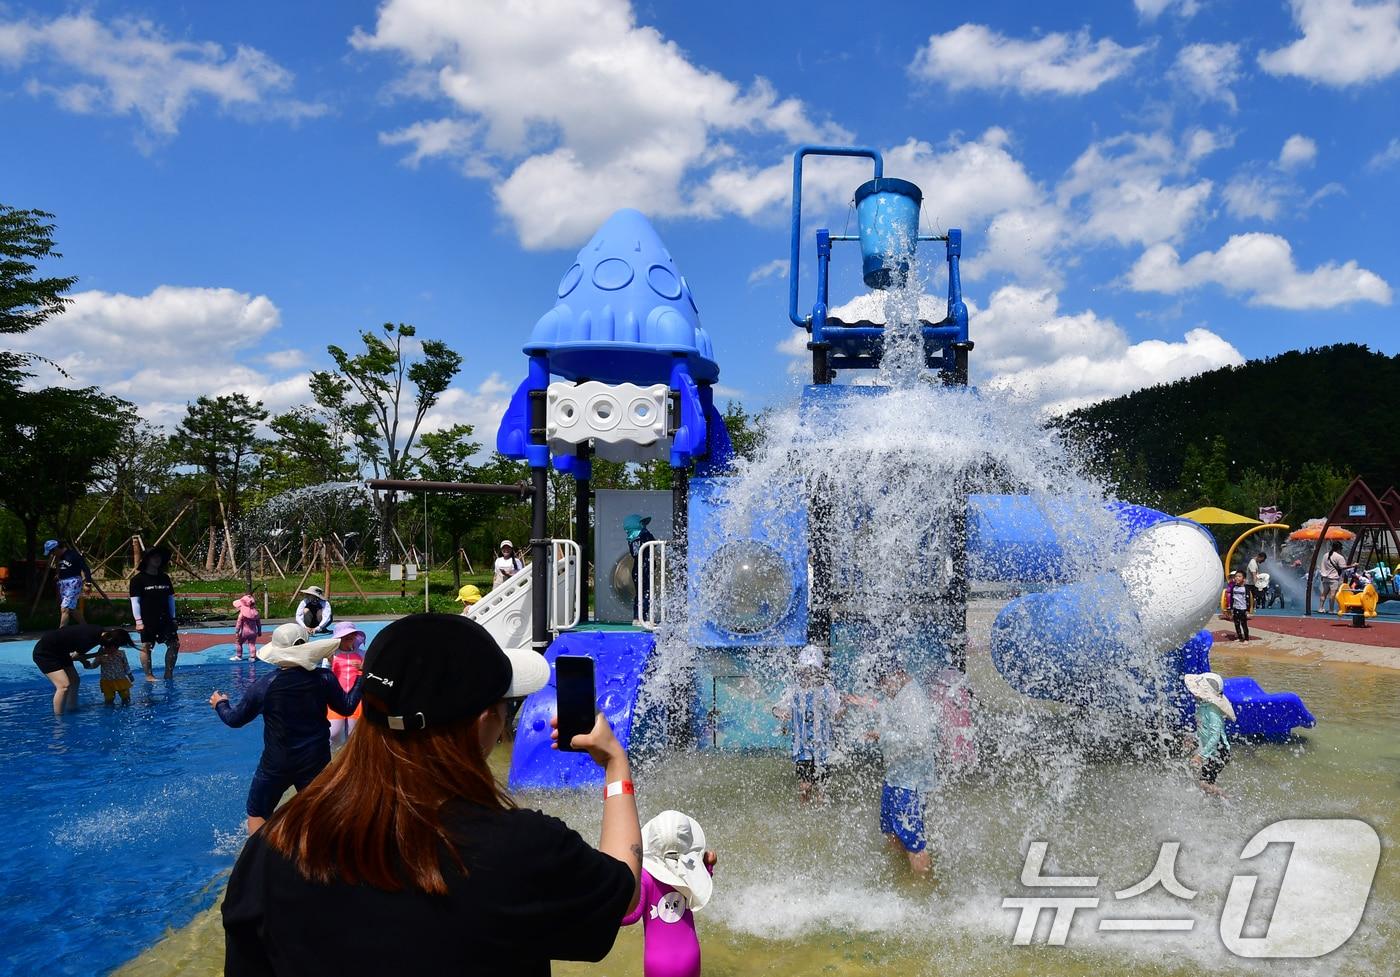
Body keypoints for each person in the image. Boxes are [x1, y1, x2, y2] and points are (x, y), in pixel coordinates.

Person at [221, 613, 641, 976]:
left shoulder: (274, 849)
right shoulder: (521, 850)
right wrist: (615, 765)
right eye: (505, 706)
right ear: (482, 723)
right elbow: (623, 894)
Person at [210, 622, 359, 834]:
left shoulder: (265, 685)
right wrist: (362, 679)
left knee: (258, 813)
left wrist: (220, 704)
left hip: (276, 763)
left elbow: (235, 720)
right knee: (316, 813)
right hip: (315, 760)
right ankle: (313, 860)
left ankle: (259, 861)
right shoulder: (323, 679)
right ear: (306, 647)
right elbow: (347, 706)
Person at [864, 653, 938, 875]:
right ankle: (900, 879)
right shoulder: (899, 696)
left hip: (910, 783)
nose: (883, 689)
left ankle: (922, 893)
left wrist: (882, 735)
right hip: (896, 777)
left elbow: (921, 740)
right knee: (892, 832)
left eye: (883, 683)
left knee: (914, 843)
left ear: (896, 675)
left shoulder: (912, 699)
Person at [622, 810, 717, 977]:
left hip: (658, 963)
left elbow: (632, 915)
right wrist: (708, 866)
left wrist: (606, 911)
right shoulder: (690, 871)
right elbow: (701, 888)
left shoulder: (644, 876)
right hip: (691, 957)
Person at [772, 644, 842, 803]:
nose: (808, 675)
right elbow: (776, 708)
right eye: (805, 671)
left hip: (823, 748)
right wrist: (781, 713)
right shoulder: (794, 691)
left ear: (819, 672)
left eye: (813, 671)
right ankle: (805, 813)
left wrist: (844, 708)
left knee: (821, 789)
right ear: (800, 671)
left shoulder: (827, 690)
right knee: (804, 787)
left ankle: (819, 817)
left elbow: (836, 712)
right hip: (802, 748)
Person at [31, 625, 135, 715]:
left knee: (75, 680)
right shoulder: (90, 639)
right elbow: (75, 657)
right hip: (45, 653)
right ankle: (59, 719)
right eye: (116, 646)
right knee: (63, 686)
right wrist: (96, 655)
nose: (116, 649)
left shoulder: (100, 633)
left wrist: (85, 661)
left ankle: (71, 708)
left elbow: (78, 652)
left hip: (60, 651)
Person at [129, 546, 179, 682]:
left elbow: (170, 599)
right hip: (147, 618)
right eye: (154, 557)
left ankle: (168, 673)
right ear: (147, 559)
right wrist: (138, 621)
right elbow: (135, 602)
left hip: (165, 617)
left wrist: (173, 618)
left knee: (174, 644)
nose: (157, 559)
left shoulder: (164, 578)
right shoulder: (137, 580)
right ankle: (149, 675)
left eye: (159, 557)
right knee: (147, 646)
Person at [1184, 672, 1235, 797]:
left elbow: (1215, 737)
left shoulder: (1213, 711)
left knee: (1204, 782)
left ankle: (1226, 798)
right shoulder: (1204, 706)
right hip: (1213, 751)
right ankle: (1216, 799)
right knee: (1204, 781)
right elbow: (1203, 729)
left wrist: (1201, 756)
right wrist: (1194, 737)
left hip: (1220, 752)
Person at [326, 621, 366, 747]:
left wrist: (364, 668)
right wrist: (329, 664)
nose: (349, 637)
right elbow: (324, 676)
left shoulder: (362, 654)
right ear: (337, 639)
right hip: (335, 698)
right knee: (333, 733)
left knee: (354, 733)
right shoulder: (330, 655)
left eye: (352, 634)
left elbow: (370, 676)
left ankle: (353, 760)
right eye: (345, 635)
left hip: (357, 698)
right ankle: (335, 756)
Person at [46, 539, 100, 628]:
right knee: (71, 609)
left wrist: (88, 583)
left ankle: (61, 634)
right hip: (63, 584)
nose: (52, 554)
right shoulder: (60, 557)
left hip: (73, 583)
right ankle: (86, 628)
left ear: (56, 548)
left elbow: (86, 569)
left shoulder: (73, 555)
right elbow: (65, 568)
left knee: (65, 609)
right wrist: (59, 575)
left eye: (52, 552)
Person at [87, 634, 136, 705]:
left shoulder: (121, 653)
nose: (107, 649)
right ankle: (109, 712)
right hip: (107, 681)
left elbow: (126, 665)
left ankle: (125, 710)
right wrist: (87, 665)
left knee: (126, 697)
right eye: (105, 647)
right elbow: (94, 665)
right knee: (109, 699)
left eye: (110, 648)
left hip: (121, 679)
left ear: (117, 646)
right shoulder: (101, 655)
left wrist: (130, 674)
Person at [625, 515, 657, 622]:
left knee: (641, 593)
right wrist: (645, 533)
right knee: (645, 593)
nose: (644, 527)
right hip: (644, 568)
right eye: (642, 525)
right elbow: (652, 542)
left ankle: (638, 617)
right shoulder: (640, 537)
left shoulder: (633, 538)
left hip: (640, 568)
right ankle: (641, 617)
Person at [1317, 541, 1350, 614]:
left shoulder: (1325, 555)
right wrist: (1353, 565)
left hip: (1325, 577)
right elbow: (1343, 567)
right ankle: (1331, 609)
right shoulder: (1339, 557)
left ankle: (1320, 608)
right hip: (1334, 578)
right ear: (1339, 548)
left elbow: (1322, 565)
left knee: (1324, 593)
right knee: (1332, 594)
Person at [1221, 570, 1252, 642]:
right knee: (1236, 624)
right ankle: (1240, 637)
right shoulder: (1234, 588)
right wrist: (1231, 608)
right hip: (1235, 608)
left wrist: (1247, 610)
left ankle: (1246, 639)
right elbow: (1232, 598)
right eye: (1236, 576)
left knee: (1244, 624)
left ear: (1244, 579)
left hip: (1243, 609)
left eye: (1239, 576)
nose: (1237, 578)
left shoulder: (1246, 588)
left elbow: (1248, 600)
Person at [231, 593, 262, 661]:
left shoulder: (242, 614)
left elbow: (238, 623)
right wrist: (259, 631)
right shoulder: (256, 613)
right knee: (252, 644)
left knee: (239, 643)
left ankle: (239, 656)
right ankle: (252, 657)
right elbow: (258, 623)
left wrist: (237, 631)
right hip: (253, 632)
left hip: (244, 632)